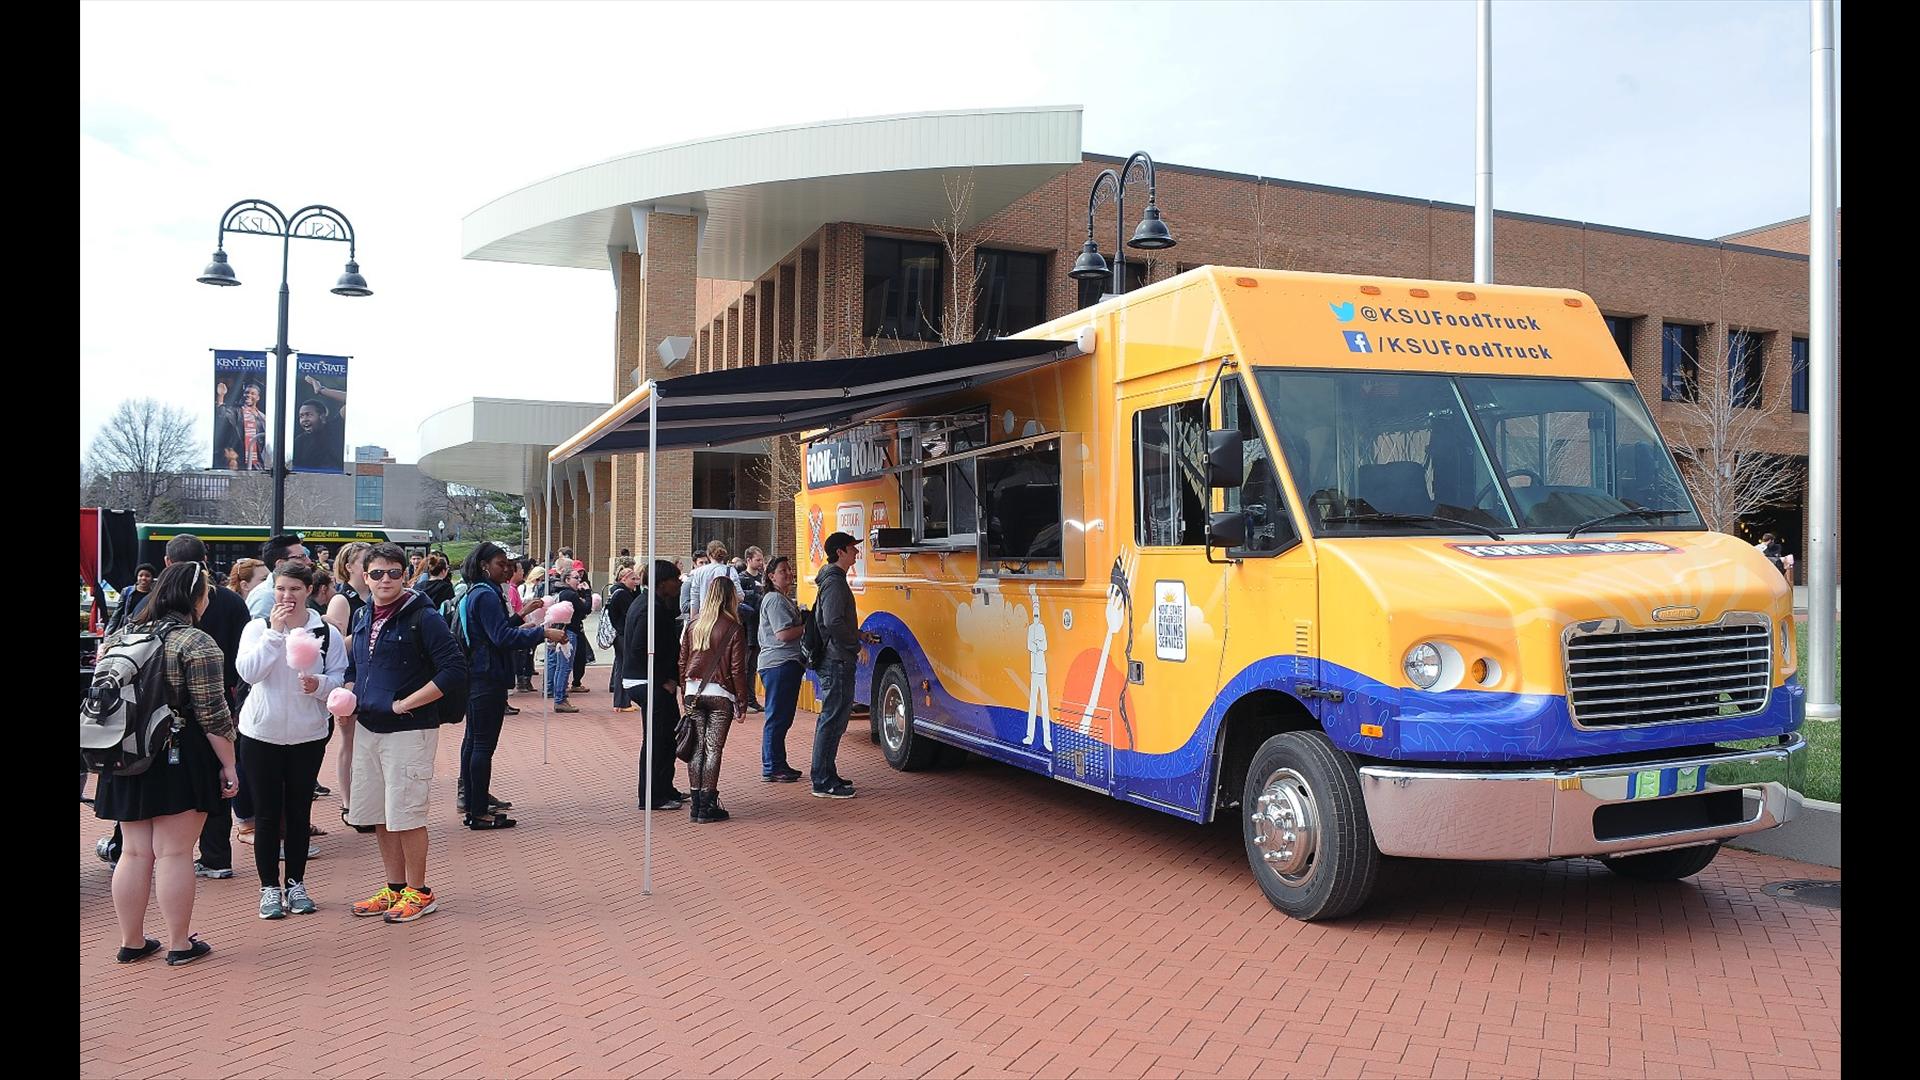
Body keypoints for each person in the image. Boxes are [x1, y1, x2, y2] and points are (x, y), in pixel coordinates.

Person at [92, 561, 240, 966]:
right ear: (196, 598)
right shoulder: (196, 642)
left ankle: (132, 941)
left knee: (134, 852)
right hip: (178, 750)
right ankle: (179, 944)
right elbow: (213, 713)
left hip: (124, 750)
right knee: (174, 852)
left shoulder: (122, 635)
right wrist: (229, 764)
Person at [343, 543, 468, 924]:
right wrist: (348, 693)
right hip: (368, 726)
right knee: (380, 813)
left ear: (406, 575)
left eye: (394, 573)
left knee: (407, 813)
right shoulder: (363, 614)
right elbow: (357, 665)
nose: (386, 580)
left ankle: (419, 891)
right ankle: (395, 887)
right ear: (364, 577)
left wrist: (405, 703)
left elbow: (454, 668)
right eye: (377, 573)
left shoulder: (422, 617)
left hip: (409, 730)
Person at [235, 563, 346, 919]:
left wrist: (319, 685)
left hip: (307, 735)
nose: (287, 596)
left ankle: (296, 884)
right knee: (267, 814)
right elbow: (248, 673)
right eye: (281, 589)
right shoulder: (257, 628)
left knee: (298, 812)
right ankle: (269, 888)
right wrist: (274, 633)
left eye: (295, 589)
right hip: (261, 734)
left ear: (309, 590)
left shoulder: (325, 632)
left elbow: (339, 678)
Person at [454, 543, 563, 829]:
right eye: (500, 564)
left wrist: (520, 615)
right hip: (486, 676)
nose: (507, 569)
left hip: (478, 673)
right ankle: (478, 811)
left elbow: (493, 630)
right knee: (482, 745)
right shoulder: (486, 595)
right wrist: (542, 633)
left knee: (473, 741)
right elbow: (501, 637)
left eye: (507, 564)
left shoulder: (478, 592)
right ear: (484, 566)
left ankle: (473, 802)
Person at [679, 575, 752, 823]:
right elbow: (737, 669)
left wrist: (685, 692)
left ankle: (695, 803)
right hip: (720, 694)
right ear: (730, 598)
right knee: (713, 748)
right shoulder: (733, 627)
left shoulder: (694, 624)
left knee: (696, 747)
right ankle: (708, 803)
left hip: (693, 692)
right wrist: (742, 702)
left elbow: (682, 661)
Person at [812, 532, 878, 799]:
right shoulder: (835, 583)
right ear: (840, 552)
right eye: (852, 548)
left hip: (836, 658)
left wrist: (859, 635)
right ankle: (823, 780)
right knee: (832, 720)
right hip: (837, 660)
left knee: (834, 719)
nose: (856, 553)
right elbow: (833, 622)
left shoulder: (831, 580)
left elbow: (834, 621)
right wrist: (855, 645)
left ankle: (827, 773)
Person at [625, 560, 687, 811]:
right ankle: (651, 795)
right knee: (656, 739)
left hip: (651, 680)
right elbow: (640, 648)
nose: (679, 583)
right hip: (648, 681)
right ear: (662, 583)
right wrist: (664, 680)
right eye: (675, 579)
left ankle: (664, 787)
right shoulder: (649, 608)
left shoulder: (655, 605)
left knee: (667, 736)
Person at [324, 542, 372, 823]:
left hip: (374, 674)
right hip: (350, 676)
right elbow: (336, 645)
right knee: (349, 739)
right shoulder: (342, 600)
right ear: (349, 566)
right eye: (365, 560)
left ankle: (367, 798)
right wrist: (367, 630)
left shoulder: (376, 595)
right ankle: (348, 802)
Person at [756, 556, 807, 783]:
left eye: (789, 569)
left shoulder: (782, 599)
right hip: (779, 663)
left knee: (782, 717)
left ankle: (778, 762)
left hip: (785, 663)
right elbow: (783, 634)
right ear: (771, 576)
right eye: (782, 570)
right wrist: (807, 626)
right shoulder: (775, 600)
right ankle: (772, 766)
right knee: (777, 717)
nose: (788, 573)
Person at [548, 564, 591, 704]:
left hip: (564, 630)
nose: (579, 580)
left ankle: (557, 694)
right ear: (567, 579)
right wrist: (588, 593)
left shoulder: (562, 593)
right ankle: (560, 699)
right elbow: (586, 609)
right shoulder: (570, 594)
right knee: (565, 667)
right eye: (576, 578)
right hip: (570, 631)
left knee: (561, 666)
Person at [248, 536, 314, 620]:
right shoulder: (265, 596)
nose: (309, 561)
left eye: (294, 589)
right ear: (280, 564)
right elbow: (260, 627)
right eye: (301, 557)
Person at [737, 547, 768, 710]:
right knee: (745, 665)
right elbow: (740, 599)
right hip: (747, 627)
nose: (760, 563)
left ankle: (751, 698)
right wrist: (755, 594)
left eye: (761, 560)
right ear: (748, 560)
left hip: (758, 627)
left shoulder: (762, 578)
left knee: (753, 665)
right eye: (757, 560)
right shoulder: (742, 578)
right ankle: (744, 699)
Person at [606, 560, 638, 711]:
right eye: (633, 579)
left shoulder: (620, 592)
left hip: (619, 634)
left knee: (621, 665)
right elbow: (630, 614)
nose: (636, 582)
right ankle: (622, 702)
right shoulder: (622, 594)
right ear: (623, 579)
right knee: (624, 666)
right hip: (622, 634)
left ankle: (621, 702)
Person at [682, 541, 742, 620]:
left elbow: (695, 599)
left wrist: (693, 619)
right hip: (725, 617)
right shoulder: (731, 571)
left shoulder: (699, 572)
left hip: (704, 617)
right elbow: (740, 596)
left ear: (708, 554)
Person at [106, 564, 158, 634]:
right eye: (140, 575)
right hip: (128, 629)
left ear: (152, 579)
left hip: (146, 630)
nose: (143, 578)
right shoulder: (127, 591)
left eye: (147, 576)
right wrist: (108, 633)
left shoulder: (155, 594)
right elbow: (117, 614)